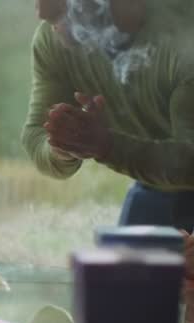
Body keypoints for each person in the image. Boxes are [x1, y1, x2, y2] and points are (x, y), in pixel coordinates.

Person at [22, 0, 194, 230]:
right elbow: (36, 134)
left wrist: (106, 146)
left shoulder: (185, 36)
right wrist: (62, 146)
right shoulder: (54, 40)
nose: (42, 12)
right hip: (151, 188)